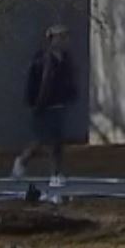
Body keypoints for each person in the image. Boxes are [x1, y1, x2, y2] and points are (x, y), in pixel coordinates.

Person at [12, 25, 76, 186]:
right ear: (51, 39)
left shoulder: (66, 59)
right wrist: (38, 104)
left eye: (65, 37)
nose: (63, 40)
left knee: (55, 141)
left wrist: (70, 95)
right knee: (44, 140)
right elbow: (41, 83)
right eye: (60, 37)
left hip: (59, 104)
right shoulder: (43, 59)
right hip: (45, 106)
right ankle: (26, 162)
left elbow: (69, 81)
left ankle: (53, 172)